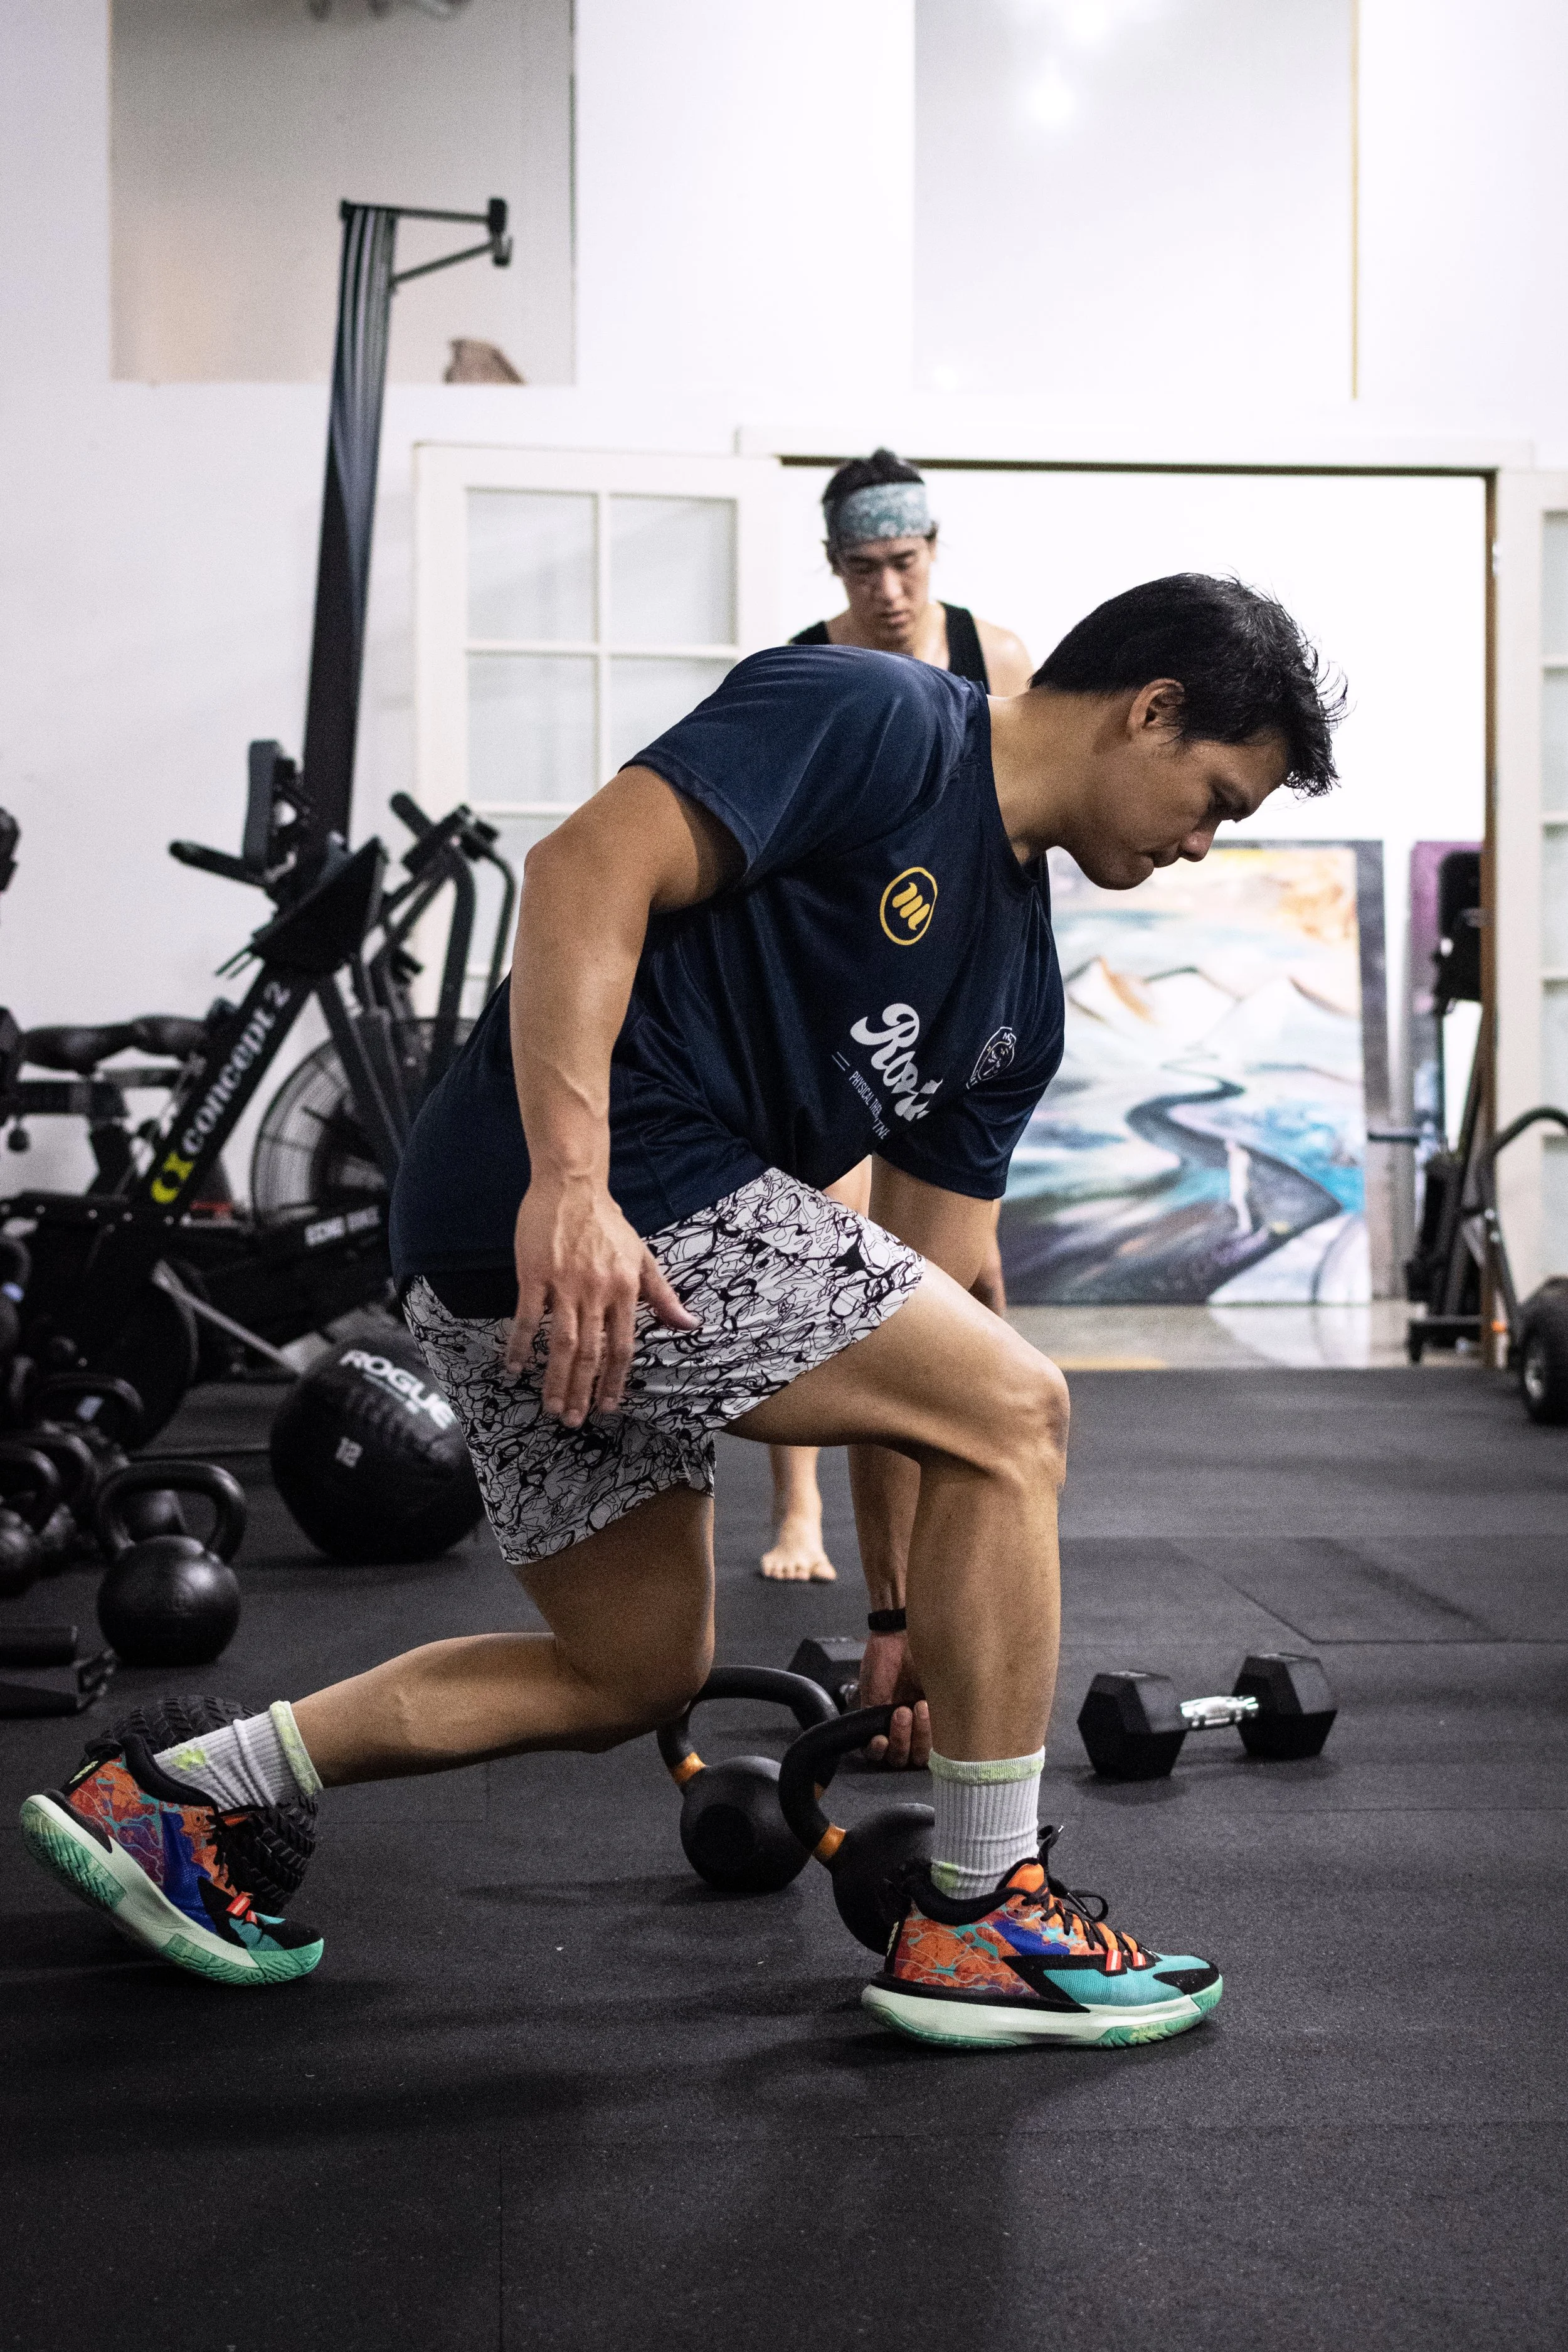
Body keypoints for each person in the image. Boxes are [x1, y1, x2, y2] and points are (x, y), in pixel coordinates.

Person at [21, 575, 1342, 2051]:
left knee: (626, 1671)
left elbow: (927, 1310)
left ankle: (178, 1794)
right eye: (1214, 796)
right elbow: (583, 867)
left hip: (507, 1253)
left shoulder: (1014, 993)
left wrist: (899, 1613)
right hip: (583, 1189)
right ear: (1149, 711)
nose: (1200, 842)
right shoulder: (881, 718)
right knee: (1025, 1409)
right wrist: (572, 1186)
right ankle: (985, 1914)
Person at [765, 448, 1019, 1585]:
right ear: (835, 565)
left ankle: (978, 1496)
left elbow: (1020, 842)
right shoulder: (803, 672)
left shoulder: (995, 657)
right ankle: (802, 1515)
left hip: (953, 1000)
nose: (890, 591)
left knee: (966, 1275)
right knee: (833, 1262)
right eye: (864, 568)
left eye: (906, 563)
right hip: (837, 1005)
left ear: (933, 551)